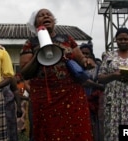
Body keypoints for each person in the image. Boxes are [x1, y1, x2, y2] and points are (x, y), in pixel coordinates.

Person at [19, 8, 95, 141]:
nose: (45, 16)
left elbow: (81, 60)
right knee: (47, 131)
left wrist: (87, 61)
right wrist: (38, 55)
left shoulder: (67, 38)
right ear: (35, 23)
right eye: (41, 16)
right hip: (45, 97)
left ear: (54, 21)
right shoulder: (31, 43)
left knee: (75, 131)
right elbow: (25, 73)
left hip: (71, 95)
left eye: (48, 14)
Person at [80, 42, 104, 141]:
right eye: (83, 53)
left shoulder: (97, 67)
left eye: (87, 53)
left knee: (95, 126)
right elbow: (83, 82)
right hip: (80, 101)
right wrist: (98, 85)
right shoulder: (75, 66)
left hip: (94, 102)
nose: (85, 56)